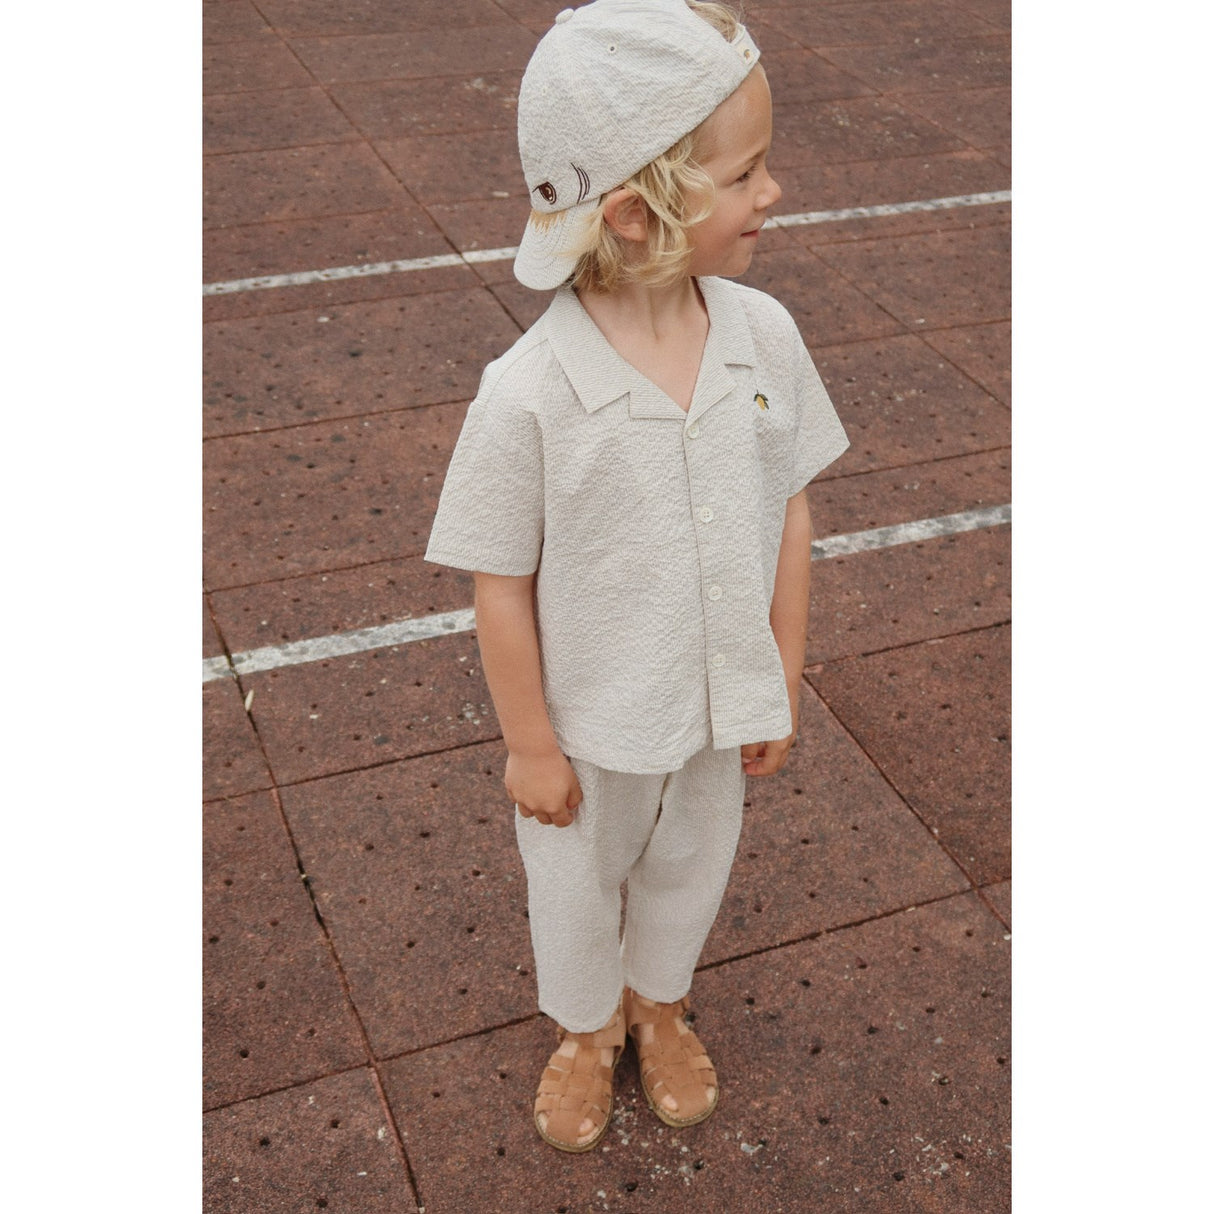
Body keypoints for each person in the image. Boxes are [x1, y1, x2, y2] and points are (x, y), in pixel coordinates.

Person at [425, 0, 849, 1153]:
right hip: (588, 729)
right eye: (743, 173)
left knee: (689, 866)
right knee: (574, 884)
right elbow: (499, 581)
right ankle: (585, 1023)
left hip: (715, 709)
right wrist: (529, 743)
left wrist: (780, 674)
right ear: (633, 211)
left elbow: (789, 506)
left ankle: (657, 1001)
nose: (772, 191)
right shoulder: (527, 392)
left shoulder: (766, 336)